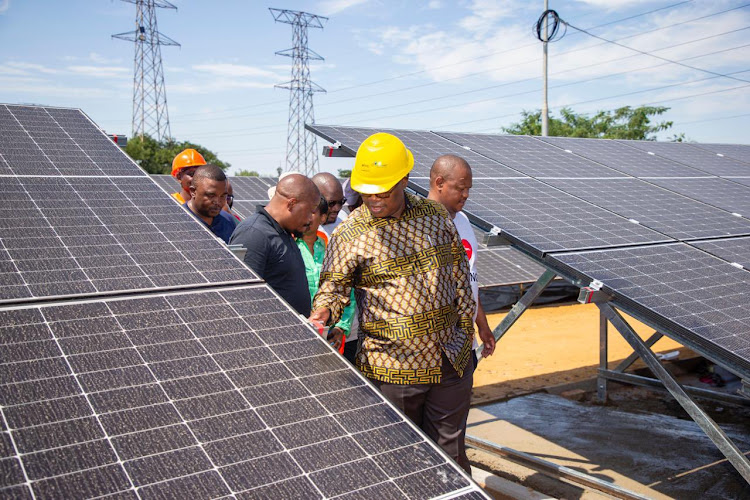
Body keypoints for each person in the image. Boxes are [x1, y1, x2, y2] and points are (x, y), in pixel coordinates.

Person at [309, 132, 480, 473]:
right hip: (394, 371)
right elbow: (333, 287)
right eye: (366, 190)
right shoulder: (350, 234)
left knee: (452, 460)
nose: (373, 198)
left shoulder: (435, 216)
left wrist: (466, 337)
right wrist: (323, 313)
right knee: (398, 462)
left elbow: (462, 275)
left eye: (383, 190)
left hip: (451, 362)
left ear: (404, 179)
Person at [428, 155, 496, 367]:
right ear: (439, 183)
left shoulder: (463, 220)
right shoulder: (420, 226)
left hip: (465, 343)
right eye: (460, 188)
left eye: (468, 189)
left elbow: (470, 280)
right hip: (437, 351)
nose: (466, 194)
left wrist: (481, 325)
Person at [230, 174, 319, 316]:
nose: (310, 219)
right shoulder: (254, 234)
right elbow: (242, 298)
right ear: (291, 204)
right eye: (310, 211)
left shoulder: (282, 232)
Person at [311, 172, 361, 363]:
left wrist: (342, 326)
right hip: (317, 326)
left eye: (341, 202)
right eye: (331, 203)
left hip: (349, 331)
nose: (338, 208)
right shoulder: (305, 228)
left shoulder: (347, 226)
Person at [297, 196, 355, 351]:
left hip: (330, 333)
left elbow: (348, 290)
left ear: (322, 217)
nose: (306, 218)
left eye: (312, 213)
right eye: (303, 212)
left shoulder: (331, 248)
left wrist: (341, 327)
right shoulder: (288, 247)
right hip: (297, 332)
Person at [183, 165, 237, 244]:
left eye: (223, 196)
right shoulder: (176, 221)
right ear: (193, 192)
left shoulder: (228, 221)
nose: (217, 201)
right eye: (211, 195)